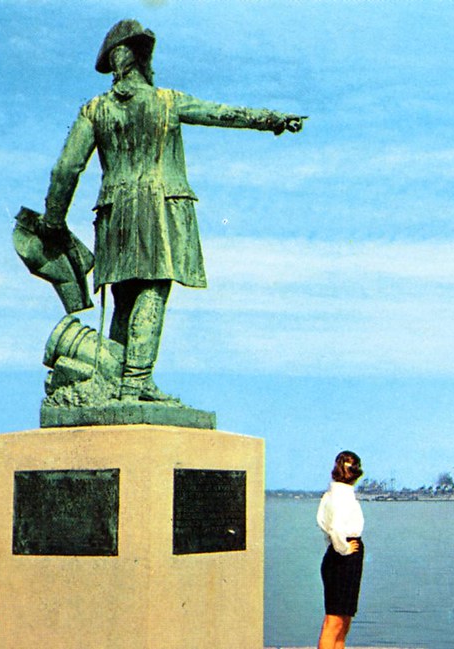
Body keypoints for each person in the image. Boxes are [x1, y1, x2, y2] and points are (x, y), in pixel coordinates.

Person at [38, 19, 304, 401]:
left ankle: (116, 377)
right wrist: (272, 119)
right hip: (159, 208)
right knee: (153, 288)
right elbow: (222, 114)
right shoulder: (167, 101)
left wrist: (52, 220)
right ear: (141, 59)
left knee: (124, 298)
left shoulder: (93, 110)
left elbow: (65, 169)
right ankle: (135, 380)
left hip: (114, 213)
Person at [316, 451, 365, 649]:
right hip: (342, 556)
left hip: (347, 556)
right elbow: (334, 527)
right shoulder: (338, 496)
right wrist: (344, 548)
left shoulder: (336, 494)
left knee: (344, 620)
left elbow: (323, 523)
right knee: (334, 620)